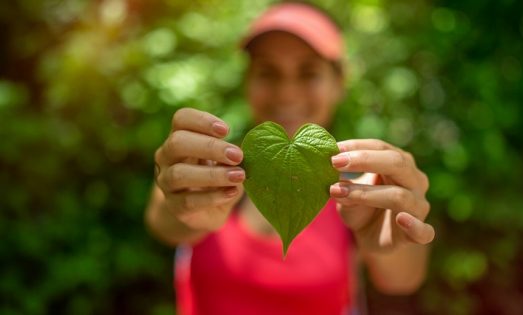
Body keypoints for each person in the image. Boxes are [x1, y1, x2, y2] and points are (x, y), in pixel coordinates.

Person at [145, 2, 435, 315]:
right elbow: (164, 224)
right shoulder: (211, 168)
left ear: (339, 83)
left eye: (308, 73)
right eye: (268, 72)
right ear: (248, 82)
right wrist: (182, 207)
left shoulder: (361, 188)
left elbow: (404, 279)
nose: (286, 93)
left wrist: (398, 238)